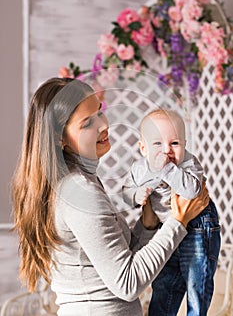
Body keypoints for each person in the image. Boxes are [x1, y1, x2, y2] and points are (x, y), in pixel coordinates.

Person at [12, 77, 210, 316]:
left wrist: (147, 226)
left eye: (99, 112)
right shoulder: (79, 192)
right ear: (60, 139)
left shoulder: (76, 184)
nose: (103, 125)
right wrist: (178, 221)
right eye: (87, 124)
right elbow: (127, 284)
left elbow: (119, 262)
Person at [122, 109, 221, 316]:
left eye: (174, 143)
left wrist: (166, 170)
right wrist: (137, 194)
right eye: (157, 144)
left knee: (197, 283)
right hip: (166, 229)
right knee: (165, 283)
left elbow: (193, 190)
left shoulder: (188, 163)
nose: (167, 150)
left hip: (197, 228)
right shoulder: (139, 169)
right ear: (143, 148)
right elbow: (126, 193)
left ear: (184, 145)